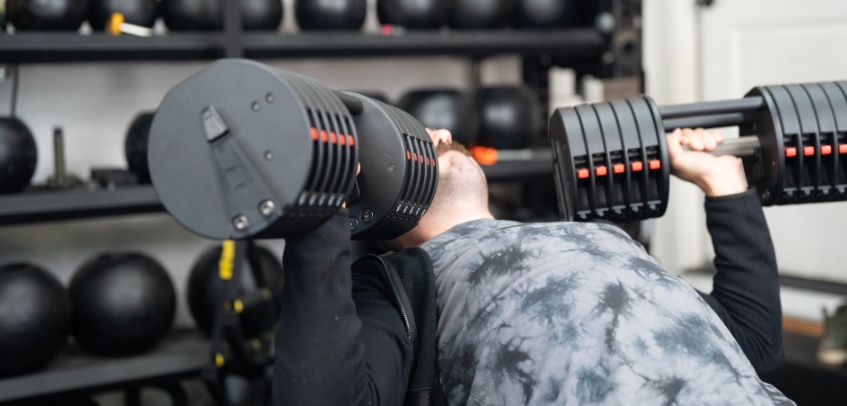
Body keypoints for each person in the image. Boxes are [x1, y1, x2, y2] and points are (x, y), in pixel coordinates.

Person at [273, 127, 793, 405]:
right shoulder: (399, 284)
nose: (438, 132)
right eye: (406, 141)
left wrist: (724, 185)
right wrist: (322, 217)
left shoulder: (589, 239)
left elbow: (752, 343)